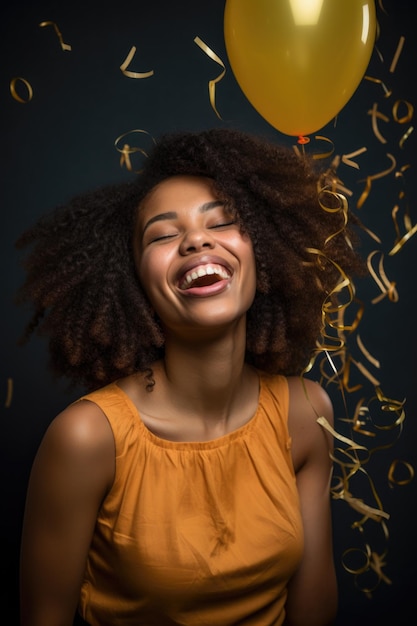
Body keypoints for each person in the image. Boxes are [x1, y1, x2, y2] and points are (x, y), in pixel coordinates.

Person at [16, 128, 365, 626]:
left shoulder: (305, 414)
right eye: (162, 234)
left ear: (263, 252)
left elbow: (314, 609)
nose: (196, 240)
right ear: (131, 280)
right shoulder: (87, 438)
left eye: (223, 223)